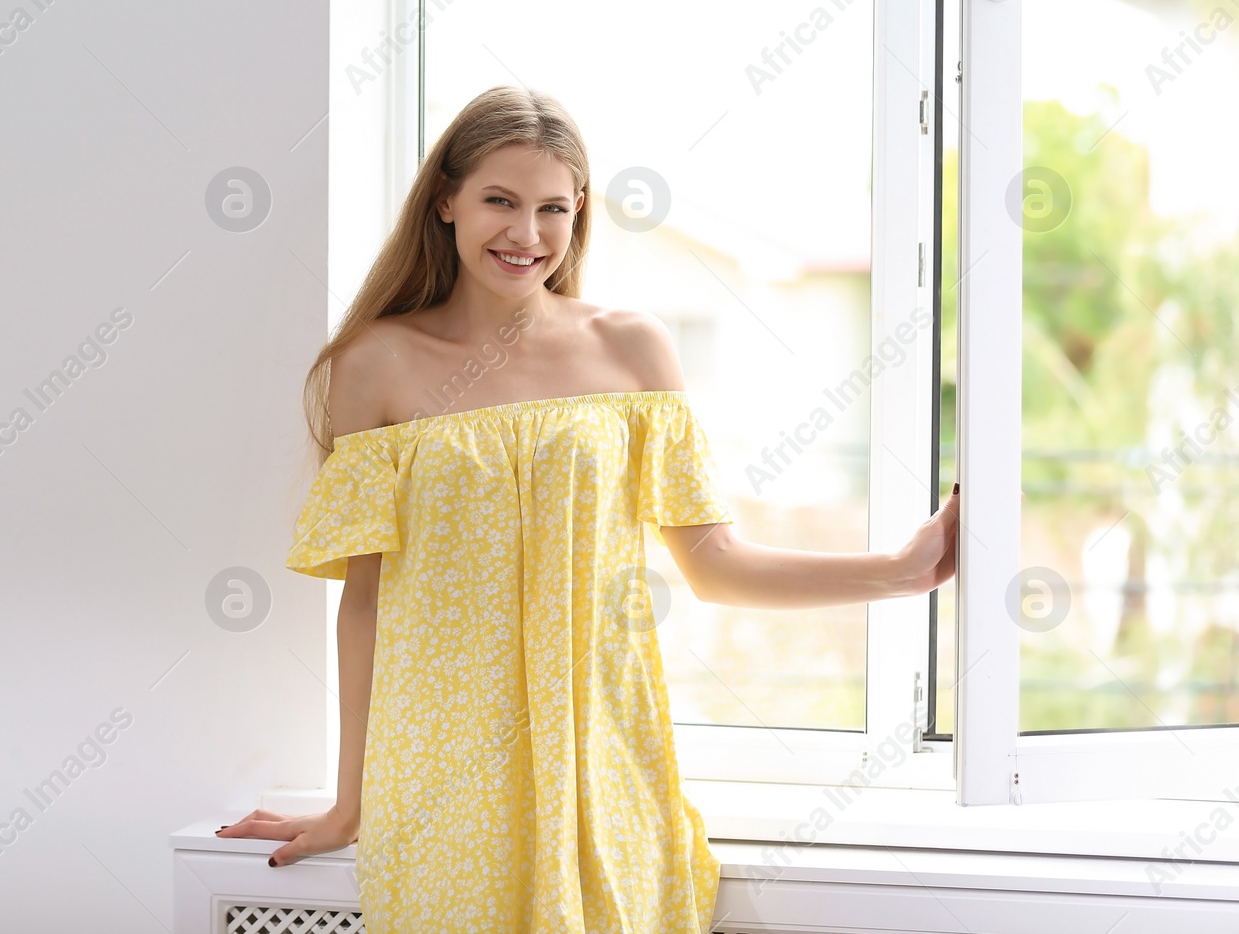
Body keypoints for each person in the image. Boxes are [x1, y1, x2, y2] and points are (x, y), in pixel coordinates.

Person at [217, 85, 960, 931]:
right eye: (499, 200)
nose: (525, 234)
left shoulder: (632, 346)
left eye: (552, 208)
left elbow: (714, 563)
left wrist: (903, 570)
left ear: (578, 216)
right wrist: (350, 800)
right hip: (443, 777)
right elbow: (365, 604)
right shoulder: (376, 364)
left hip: (601, 763)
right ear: (447, 200)